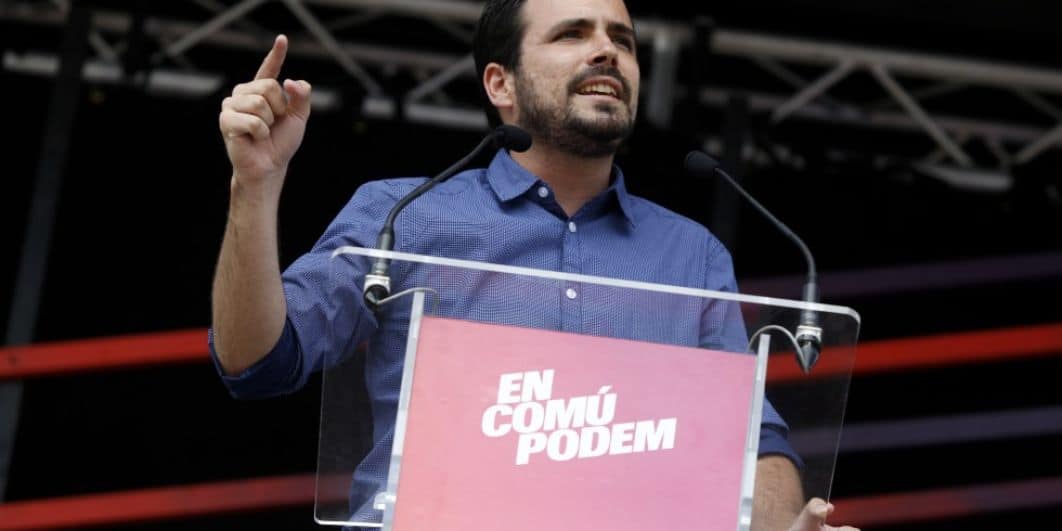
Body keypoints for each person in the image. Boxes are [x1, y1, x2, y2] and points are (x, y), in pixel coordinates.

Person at [212, 0, 858, 529]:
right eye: (572, 34)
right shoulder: (402, 216)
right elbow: (257, 361)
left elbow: (751, 443)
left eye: (623, 40)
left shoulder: (692, 256)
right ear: (502, 85)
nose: (607, 51)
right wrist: (255, 185)